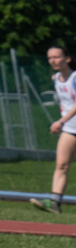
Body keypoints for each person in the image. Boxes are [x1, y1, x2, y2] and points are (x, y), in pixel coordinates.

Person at [36, 44, 74, 213]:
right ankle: (54, 202)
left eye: (57, 57)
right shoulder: (56, 78)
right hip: (71, 129)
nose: (53, 60)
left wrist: (61, 121)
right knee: (61, 165)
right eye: (50, 58)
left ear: (67, 58)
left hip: (66, 123)